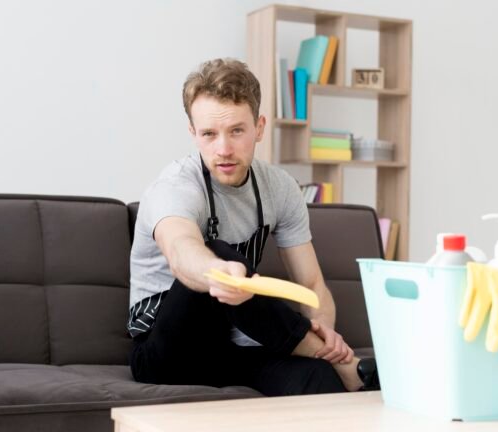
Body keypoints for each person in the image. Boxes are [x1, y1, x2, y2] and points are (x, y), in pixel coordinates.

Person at [127, 58, 377, 396]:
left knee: (318, 379)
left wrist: (326, 338)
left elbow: (312, 282)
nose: (224, 149)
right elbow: (181, 251)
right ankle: (334, 359)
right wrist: (219, 270)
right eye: (209, 134)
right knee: (218, 259)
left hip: (230, 347)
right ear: (193, 133)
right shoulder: (175, 187)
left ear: (259, 127)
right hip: (164, 352)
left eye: (237, 131)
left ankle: (329, 361)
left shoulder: (279, 187)